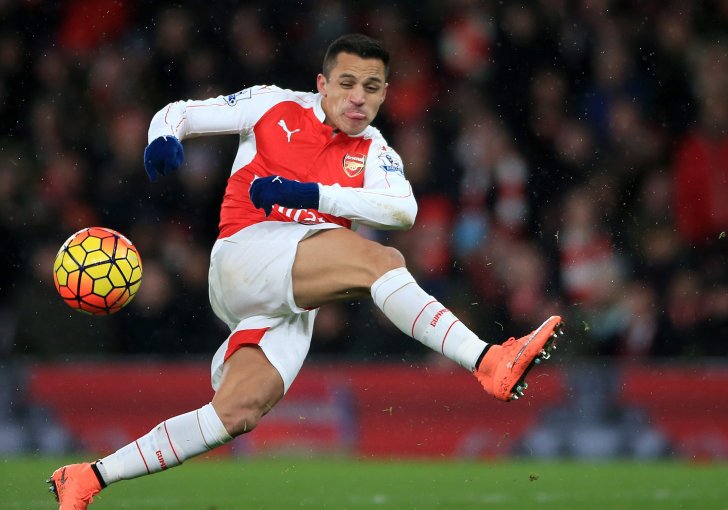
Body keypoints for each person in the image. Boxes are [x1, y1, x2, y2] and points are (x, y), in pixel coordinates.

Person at [48, 34, 563, 509]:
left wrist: (309, 194)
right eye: (346, 84)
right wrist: (163, 137)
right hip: (243, 254)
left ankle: (89, 476)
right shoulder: (274, 104)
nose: (358, 97)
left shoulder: (376, 151)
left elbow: (403, 210)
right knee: (381, 260)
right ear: (321, 84)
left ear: (384, 95)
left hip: (293, 297)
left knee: (233, 415)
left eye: (372, 88)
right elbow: (179, 112)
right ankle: (488, 361)